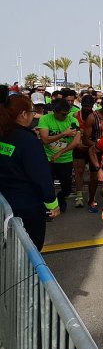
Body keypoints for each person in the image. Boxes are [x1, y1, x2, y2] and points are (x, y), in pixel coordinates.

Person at [0, 88, 60, 250]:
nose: (34, 116)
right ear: (23, 114)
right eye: (32, 112)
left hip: (5, 202)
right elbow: (41, 175)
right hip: (27, 206)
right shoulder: (28, 140)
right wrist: (52, 203)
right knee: (31, 248)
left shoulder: (4, 134)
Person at [38, 98, 81, 213]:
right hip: (48, 158)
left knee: (67, 188)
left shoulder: (73, 121)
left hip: (65, 159)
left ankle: (61, 198)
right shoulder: (45, 119)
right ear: (54, 111)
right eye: (63, 114)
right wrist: (64, 133)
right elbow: (45, 140)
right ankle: (50, 206)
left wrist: (60, 153)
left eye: (67, 113)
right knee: (47, 185)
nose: (65, 116)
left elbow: (76, 142)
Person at [72, 95, 96, 208]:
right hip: (79, 147)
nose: (87, 108)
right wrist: (77, 143)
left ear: (92, 106)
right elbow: (72, 132)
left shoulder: (96, 116)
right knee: (79, 171)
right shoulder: (75, 115)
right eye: (85, 106)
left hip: (91, 147)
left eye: (89, 106)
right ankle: (79, 195)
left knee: (93, 173)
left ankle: (92, 196)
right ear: (81, 104)